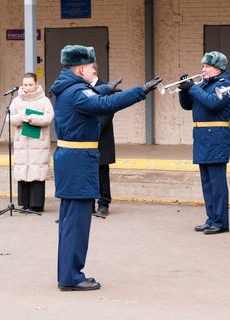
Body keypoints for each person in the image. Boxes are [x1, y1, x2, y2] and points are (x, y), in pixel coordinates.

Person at [50, 44, 162, 291]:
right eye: (91, 67)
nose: (94, 71)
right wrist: (140, 91)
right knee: (77, 224)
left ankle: (67, 274)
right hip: (78, 163)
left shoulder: (69, 87)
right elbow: (103, 105)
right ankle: (72, 278)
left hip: (72, 161)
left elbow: (91, 96)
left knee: (70, 222)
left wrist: (103, 88)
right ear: (81, 69)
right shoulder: (76, 92)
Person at [180, 51, 230, 235]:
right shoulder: (203, 84)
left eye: (207, 67)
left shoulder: (226, 85)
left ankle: (221, 221)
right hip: (202, 137)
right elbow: (188, 105)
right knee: (207, 183)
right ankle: (211, 218)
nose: (203, 70)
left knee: (217, 183)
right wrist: (184, 90)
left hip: (216, 137)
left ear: (218, 69)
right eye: (203, 66)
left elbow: (212, 103)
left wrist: (193, 88)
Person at [8, 72, 54, 212]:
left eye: (30, 85)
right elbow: (9, 118)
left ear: (36, 84)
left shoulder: (44, 100)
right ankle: (25, 204)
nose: (27, 88)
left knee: (36, 173)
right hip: (22, 143)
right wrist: (19, 118)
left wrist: (32, 118)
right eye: (25, 85)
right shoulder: (17, 101)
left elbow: (49, 117)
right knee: (23, 173)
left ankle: (36, 205)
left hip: (38, 143)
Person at [90, 63, 115, 217]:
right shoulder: (83, 88)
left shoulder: (106, 88)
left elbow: (107, 114)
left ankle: (103, 203)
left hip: (101, 138)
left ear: (93, 70)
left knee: (102, 173)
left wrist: (94, 132)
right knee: (88, 173)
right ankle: (89, 203)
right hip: (86, 140)